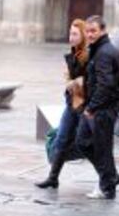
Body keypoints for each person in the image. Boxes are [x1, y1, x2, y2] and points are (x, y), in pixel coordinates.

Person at [35, 19, 88, 189]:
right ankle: (53, 178)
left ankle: (110, 176)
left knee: (86, 143)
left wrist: (76, 82)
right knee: (61, 139)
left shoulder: (88, 55)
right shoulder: (74, 53)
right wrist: (70, 81)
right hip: (71, 102)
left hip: (84, 105)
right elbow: (69, 77)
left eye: (74, 34)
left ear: (83, 36)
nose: (70, 37)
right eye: (70, 33)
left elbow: (91, 80)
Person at [75, 15, 119, 200]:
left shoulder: (104, 52)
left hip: (102, 109)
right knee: (83, 142)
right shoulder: (98, 49)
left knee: (102, 148)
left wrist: (92, 107)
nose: (90, 34)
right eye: (87, 31)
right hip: (96, 107)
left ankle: (108, 187)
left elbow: (106, 84)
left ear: (102, 30)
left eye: (93, 31)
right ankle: (111, 176)